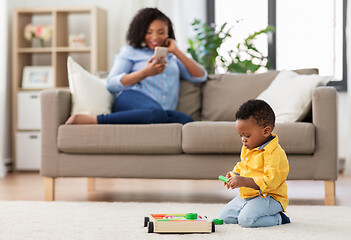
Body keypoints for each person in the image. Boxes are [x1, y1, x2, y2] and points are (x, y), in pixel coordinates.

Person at [66, 7, 207, 125]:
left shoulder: (172, 58)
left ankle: (154, 116)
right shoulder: (131, 52)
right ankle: (93, 120)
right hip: (131, 99)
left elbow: (201, 76)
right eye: (149, 32)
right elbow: (111, 84)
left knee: (186, 120)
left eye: (161, 32)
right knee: (155, 113)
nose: (155, 38)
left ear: (168, 32)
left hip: (161, 112)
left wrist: (176, 51)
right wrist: (145, 73)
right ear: (141, 32)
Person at [219, 99, 291, 228]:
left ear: (266, 131)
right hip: (248, 195)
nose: (243, 140)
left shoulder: (275, 153)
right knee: (225, 217)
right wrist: (234, 174)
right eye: (240, 135)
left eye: (246, 135)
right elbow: (243, 165)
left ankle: (279, 218)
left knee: (246, 220)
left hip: (269, 197)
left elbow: (271, 181)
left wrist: (243, 181)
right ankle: (251, 209)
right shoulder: (248, 147)